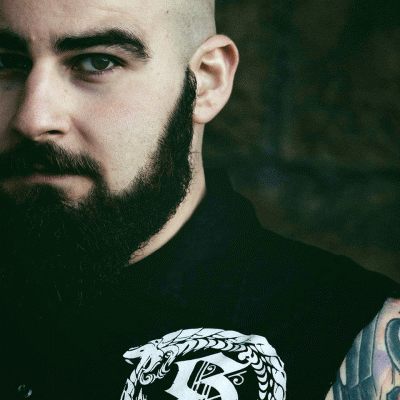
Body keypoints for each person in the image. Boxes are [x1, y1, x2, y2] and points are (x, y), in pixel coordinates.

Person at [0, 0, 399, 399]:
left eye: (97, 63)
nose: (32, 119)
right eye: (5, 61)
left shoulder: (351, 335)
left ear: (207, 81)